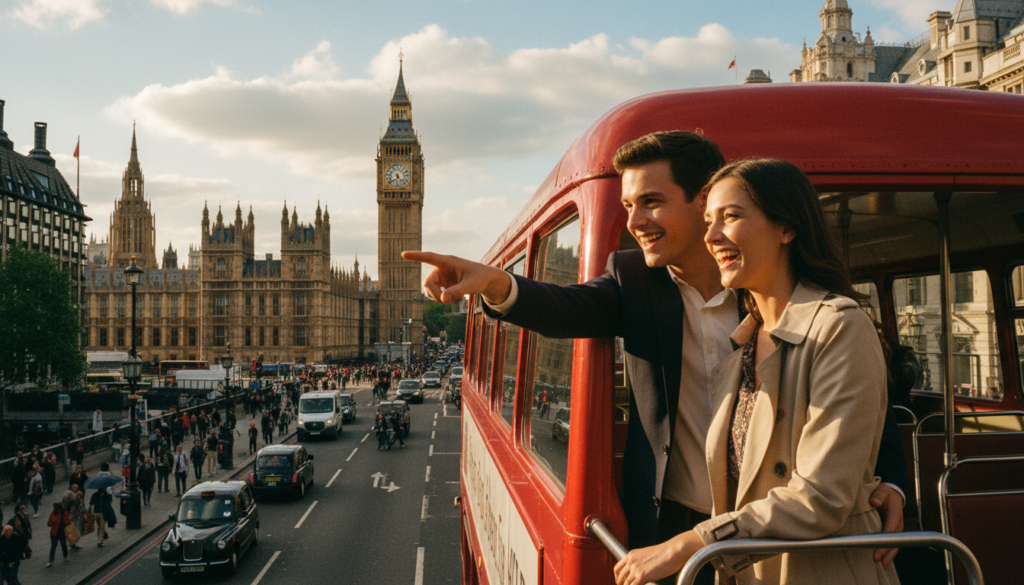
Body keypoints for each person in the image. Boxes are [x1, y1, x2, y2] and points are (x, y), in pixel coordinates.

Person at [403, 131, 908, 578]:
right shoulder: (636, 282)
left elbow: (858, 404)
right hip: (680, 522)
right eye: (628, 207)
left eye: (651, 202)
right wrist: (494, 283)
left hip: (780, 530)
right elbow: (563, 308)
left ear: (702, 200)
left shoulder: (777, 300)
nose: (635, 221)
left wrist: (891, 480)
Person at [613, 158, 902, 585]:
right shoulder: (746, 341)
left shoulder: (840, 326)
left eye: (730, 217)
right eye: (709, 220)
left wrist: (691, 542)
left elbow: (822, 495)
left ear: (786, 228)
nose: (711, 236)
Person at [59, 484, 84, 552]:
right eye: (73, 487)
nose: (75, 488)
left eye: (76, 487)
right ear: (70, 487)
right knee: (71, 530)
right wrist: (78, 496)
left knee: (73, 530)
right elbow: (75, 503)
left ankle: (73, 545)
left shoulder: (72, 494)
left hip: (72, 514)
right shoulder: (69, 494)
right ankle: (72, 545)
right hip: (69, 515)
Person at [45, 502, 70, 567]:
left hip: (55, 532)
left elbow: (68, 521)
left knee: (56, 546)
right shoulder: (63, 513)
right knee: (61, 545)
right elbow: (48, 523)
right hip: (58, 532)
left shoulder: (55, 513)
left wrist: (53, 523)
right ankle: (65, 557)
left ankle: (51, 561)